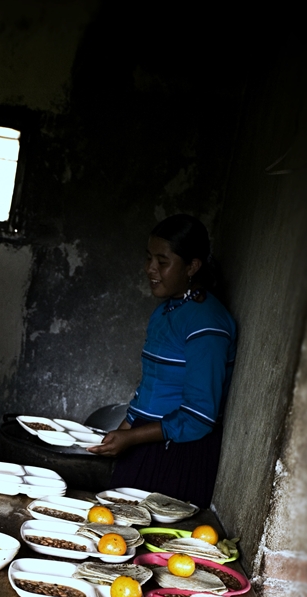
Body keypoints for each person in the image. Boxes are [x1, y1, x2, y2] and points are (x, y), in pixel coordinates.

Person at [88, 215, 236, 509]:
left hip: (177, 455)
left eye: (162, 261)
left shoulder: (207, 322)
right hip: (145, 443)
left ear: (192, 266)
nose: (150, 269)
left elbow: (199, 416)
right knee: (113, 526)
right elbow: (150, 388)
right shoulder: (166, 311)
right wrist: (124, 431)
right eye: (149, 258)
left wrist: (132, 438)